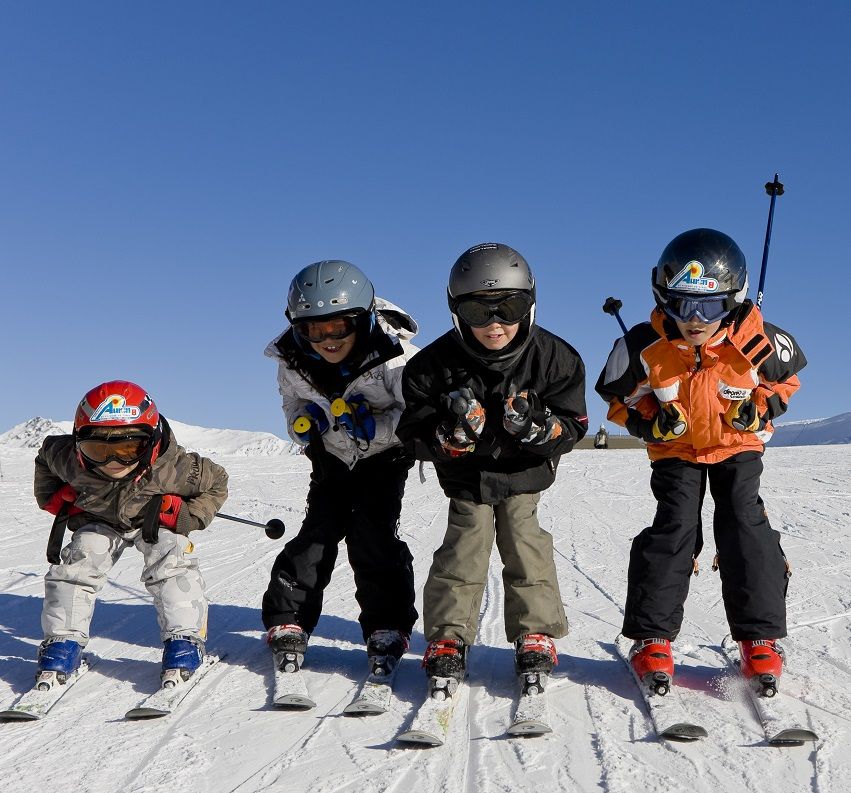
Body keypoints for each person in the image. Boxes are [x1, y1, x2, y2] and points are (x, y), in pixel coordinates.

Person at [595, 228, 806, 690]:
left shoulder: (757, 340)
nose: (694, 318)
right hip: (677, 451)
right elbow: (622, 401)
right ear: (661, 296)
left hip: (736, 446)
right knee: (675, 527)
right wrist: (649, 424)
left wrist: (762, 407)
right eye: (681, 303)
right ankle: (652, 637)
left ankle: (761, 638)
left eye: (708, 306)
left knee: (744, 524)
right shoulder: (643, 346)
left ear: (733, 300)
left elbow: (785, 382)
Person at [395, 242, 588, 692]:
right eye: (479, 312)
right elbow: (413, 431)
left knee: (525, 542)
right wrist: (449, 436)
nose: (495, 324)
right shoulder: (432, 366)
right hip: (467, 477)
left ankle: (534, 631)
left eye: (510, 307)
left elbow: (574, 422)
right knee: (465, 545)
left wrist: (543, 430)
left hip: (524, 472)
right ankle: (448, 637)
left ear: (531, 305)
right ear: (456, 311)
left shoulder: (555, 358)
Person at [262, 260, 419, 677]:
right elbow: (292, 404)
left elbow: (417, 414)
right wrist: (305, 424)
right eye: (315, 330)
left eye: (339, 328)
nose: (328, 340)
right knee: (319, 531)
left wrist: (376, 427)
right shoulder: (291, 358)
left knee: (373, 533)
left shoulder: (397, 357)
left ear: (362, 318)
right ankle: (289, 617)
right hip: (331, 455)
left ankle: (387, 624)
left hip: (383, 458)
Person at [34, 380, 228, 684]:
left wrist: (189, 516)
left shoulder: (175, 468)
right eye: (98, 450)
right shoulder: (68, 459)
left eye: (128, 449)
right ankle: (62, 641)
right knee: (76, 565)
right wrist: (52, 497)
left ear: (150, 441)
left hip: (150, 519)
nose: (113, 462)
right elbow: (45, 456)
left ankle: (184, 639)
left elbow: (217, 482)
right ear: (78, 444)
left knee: (172, 556)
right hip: (98, 520)